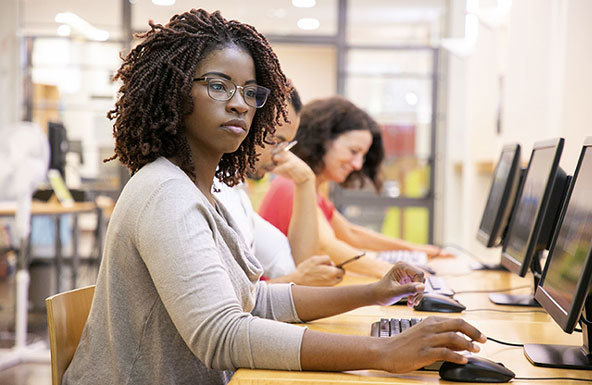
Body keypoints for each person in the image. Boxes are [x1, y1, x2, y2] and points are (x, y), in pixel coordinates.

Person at [63, 9, 485, 385]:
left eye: (250, 92)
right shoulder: (165, 194)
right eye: (218, 86)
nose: (240, 105)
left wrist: (374, 292)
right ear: (174, 91)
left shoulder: (204, 192)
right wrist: (382, 352)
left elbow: (254, 299)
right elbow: (222, 334)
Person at [259, 96, 452, 278]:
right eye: (353, 151)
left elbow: (351, 234)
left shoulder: (312, 189)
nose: (358, 164)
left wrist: (416, 250)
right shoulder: (291, 185)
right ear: (322, 140)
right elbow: (326, 246)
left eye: (362, 156)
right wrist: (394, 272)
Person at [214, 88, 343, 286]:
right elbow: (219, 300)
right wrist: (296, 279)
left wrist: (305, 181)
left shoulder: (235, 192)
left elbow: (296, 266)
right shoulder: (208, 190)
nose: (279, 156)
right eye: (276, 141)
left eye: (285, 146)